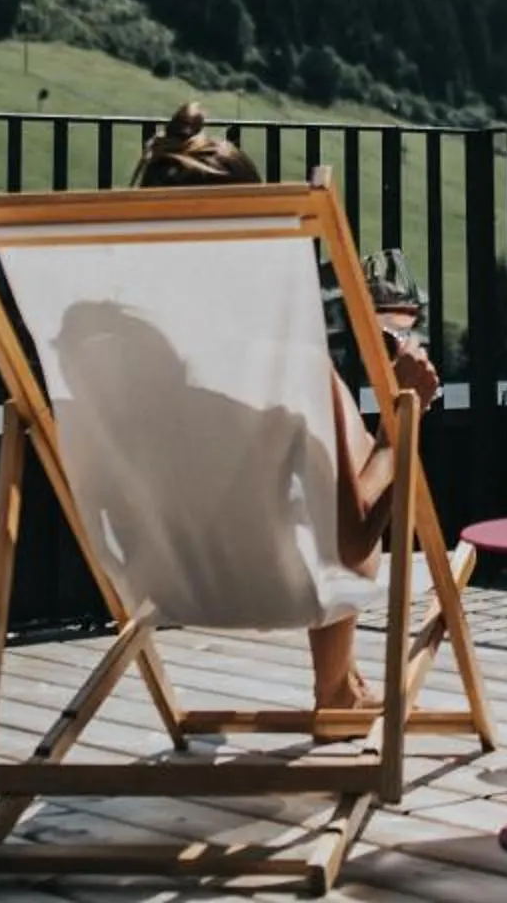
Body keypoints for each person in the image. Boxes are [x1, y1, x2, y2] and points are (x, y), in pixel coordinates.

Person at [129, 102, 450, 713]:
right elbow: (355, 539)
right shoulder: (284, 365)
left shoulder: (117, 350)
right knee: (344, 466)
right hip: (283, 584)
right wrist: (403, 414)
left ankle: (342, 684)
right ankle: (335, 685)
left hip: (163, 578)